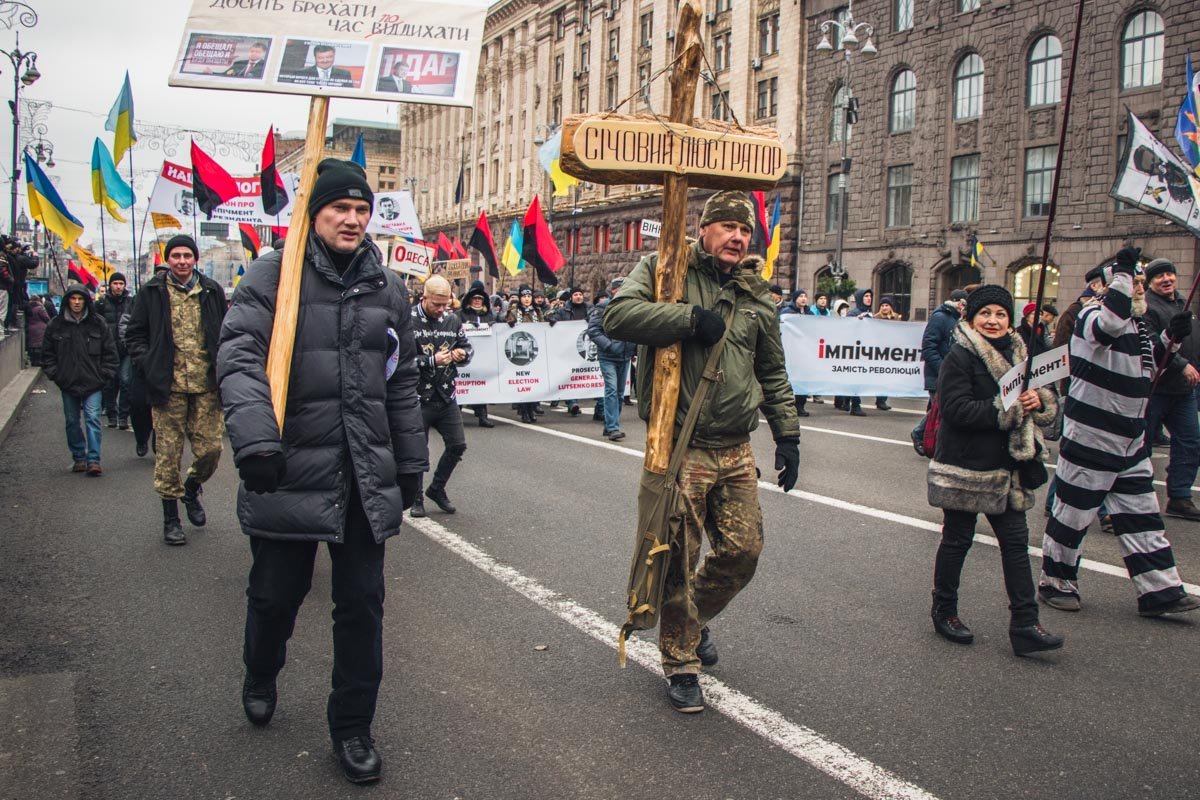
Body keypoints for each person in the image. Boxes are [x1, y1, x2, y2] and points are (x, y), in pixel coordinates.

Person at [217, 158, 427, 785]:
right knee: (275, 596)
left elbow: (402, 381)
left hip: (363, 473)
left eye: (362, 210)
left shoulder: (387, 287)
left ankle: (353, 727)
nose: (353, 220)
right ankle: (261, 671)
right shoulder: (273, 275)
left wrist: (410, 463)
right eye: (341, 208)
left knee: (361, 606)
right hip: (289, 467)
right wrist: (256, 443)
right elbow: (239, 358)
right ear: (314, 215)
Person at [604, 191, 801, 713]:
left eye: (745, 230)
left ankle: (691, 622)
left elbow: (772, 370)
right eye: (728, 227)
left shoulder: (755, 292)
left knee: (743, 553)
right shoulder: (665, 268)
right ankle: (680, 662)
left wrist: (788, 434)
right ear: (704, 229)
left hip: (735, 449)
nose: (738, 237)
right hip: (683, 447)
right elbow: (618, 316)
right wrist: (688, 319)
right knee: (677, 558)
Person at [1039, 247, 1200, 617]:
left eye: (1141, 282)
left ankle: (1160, 590)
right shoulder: (1091, 314)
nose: (1140, 288)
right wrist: (1122, 273)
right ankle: (1055, 582)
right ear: (1113, 286)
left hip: (1131, 440)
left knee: (1143, 519)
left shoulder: (1138, 323)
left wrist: (1170, 340)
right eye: (1133, 281)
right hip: (1091, 437)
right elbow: (1108, 328)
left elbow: (1151, 368)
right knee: (1072, 517)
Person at [927, 285, 1064, 656]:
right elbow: (956, 410)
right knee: (957, 540)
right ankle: (944, 610)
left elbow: (1043, 400)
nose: (993, 320)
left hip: (1009, 468)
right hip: (967, 466)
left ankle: (1025, 624)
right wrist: (1011, 408)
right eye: (985, 313)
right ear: (971, 319)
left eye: (1000, 314)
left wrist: (1038, 401)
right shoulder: (960, 356)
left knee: (1016, 544)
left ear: (1009, 319)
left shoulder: (1021, 353)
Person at [125, 234, 227, 546]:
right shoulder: (152, 292)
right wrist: (148, 363)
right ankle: (171, 520)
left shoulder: (211, 290)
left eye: (187, 255)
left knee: (211, 450)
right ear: (168, 259)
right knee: (168, 456)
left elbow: (226, 331)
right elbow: (134, 334)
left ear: (195, 259)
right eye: (176, 256)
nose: (182, 261)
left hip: (206, 386)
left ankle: (192, 487)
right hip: (167, 387)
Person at [1140, 257, 1200, 521]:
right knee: (1141, 446)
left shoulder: (1184, 303)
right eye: (1159, 276)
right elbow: (1152, 345)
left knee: (1190, 442)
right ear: (1150, 281)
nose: (1166, 279)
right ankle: (1138, 497)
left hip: (1184, 392)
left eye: (1169, 274)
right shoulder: (1146, 307)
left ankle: (1180, 496)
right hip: (1155, 389)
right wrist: (1182, 365)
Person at [409, 275, 472, 518]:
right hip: (417, 396)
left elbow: (467, 348)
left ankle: (436, 488)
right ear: (424, 298)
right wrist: (430, 361)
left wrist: (461, 355)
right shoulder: (408, 320)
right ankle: (415, 497)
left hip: (446, 394)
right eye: (436, 304)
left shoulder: (452, 320)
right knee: (417, 451)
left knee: (457, 445)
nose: (441, 309)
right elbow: (398, 360)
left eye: (445, 304)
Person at [41, 283, 118, 475]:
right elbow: (47, 355)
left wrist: (104, 374)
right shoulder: (56, 325)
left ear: (86, 301)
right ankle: (79, 457)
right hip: (68, 382)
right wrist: (56, 374)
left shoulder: (98, 324)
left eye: (80, 299)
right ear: (67, 301)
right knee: (72, 421)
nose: (76, 302)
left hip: (93, 382)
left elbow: (110, 352)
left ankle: (94, 460)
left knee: (93, 419)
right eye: (73, 299)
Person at [911, 289, 968, 456]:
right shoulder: (940, 317)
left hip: (952, 374)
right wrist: (943, 368)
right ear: (957, 303)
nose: (964, 308)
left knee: (942, 409)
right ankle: (921, 434)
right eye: (963, 304)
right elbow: (928, 347)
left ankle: (932, 439)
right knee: (942, 409)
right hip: (938, 374)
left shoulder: (959, 320)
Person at [588, 282, 636, 441]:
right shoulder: (603, 307)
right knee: (611, 390)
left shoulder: (631, 306)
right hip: (608, 356)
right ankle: (613, 428)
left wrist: (633, 349)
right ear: (615, 290)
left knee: (620, 393)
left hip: (625, 356)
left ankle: (610, 425)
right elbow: (593, 330)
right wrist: (609, 346)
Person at [95, 272, 135, 429]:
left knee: (125, 382)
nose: (118, 287)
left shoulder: (131, 302)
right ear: (110, 285)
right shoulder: (101, 303)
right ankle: (112, 415)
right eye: (115, 283)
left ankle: (123, 417)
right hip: (107, 350)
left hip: (126, 350)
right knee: (109, 384)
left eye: (121, 284)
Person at [459, 280, 495, 428]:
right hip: (465, 357)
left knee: (481, 386)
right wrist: (466, 326)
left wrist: (497, 325)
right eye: (474, 298)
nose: (477, 301)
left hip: (483, 358)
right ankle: (456, 417)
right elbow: (453, 327)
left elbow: (503, 326)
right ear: (469, 299)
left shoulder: (489, 315)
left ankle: (483, 416)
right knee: (461, 387)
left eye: (480, 298)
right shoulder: (460, 314)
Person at [506, 286, 544, 423]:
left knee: (533, 382)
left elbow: (542, 326)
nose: (527, 299)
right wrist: (509, 324)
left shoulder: (537, 311)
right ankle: (524, 411)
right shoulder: (514, 311)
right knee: (523, 383)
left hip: (533, 349)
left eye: (529, 296)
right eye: (524, 296)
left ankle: (531, 408)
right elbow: (505, 326)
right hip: (520, 351)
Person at [553, 286, 592, 416]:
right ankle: (572, 402)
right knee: (570, 375)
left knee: (588, 375)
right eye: (575, 294)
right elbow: (554, 320)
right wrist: (552, 321)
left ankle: (599, 408)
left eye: (580, 294)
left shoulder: (590, 309)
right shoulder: (563, 311)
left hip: (585, 347)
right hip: (568, 348)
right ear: (571, 297)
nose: (578, 297)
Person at [873, 295, 903, 411]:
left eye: (887, 305)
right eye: (882, 305)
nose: (884, 307)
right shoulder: (875, 318)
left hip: (892, 351)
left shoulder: (896, 318)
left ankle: (882, 400)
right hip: (879, 351)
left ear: (890, 307)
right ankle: (879, 399)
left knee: (887, 377)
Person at [287, 44, 354, 87]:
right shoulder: (300, 73)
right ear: (315, 58)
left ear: (334, 57)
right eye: (321, 58)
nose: (325, 60)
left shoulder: (345, 74)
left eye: (329, 57)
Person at [24, 293, 50, 366]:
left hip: (30, 328)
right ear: (38, 300)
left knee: (32, 346)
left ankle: (33, 361)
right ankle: (38, 361)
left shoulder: (28, 308)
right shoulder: (40, 308)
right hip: (40, 329)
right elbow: (46, 318)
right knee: (39, 346)